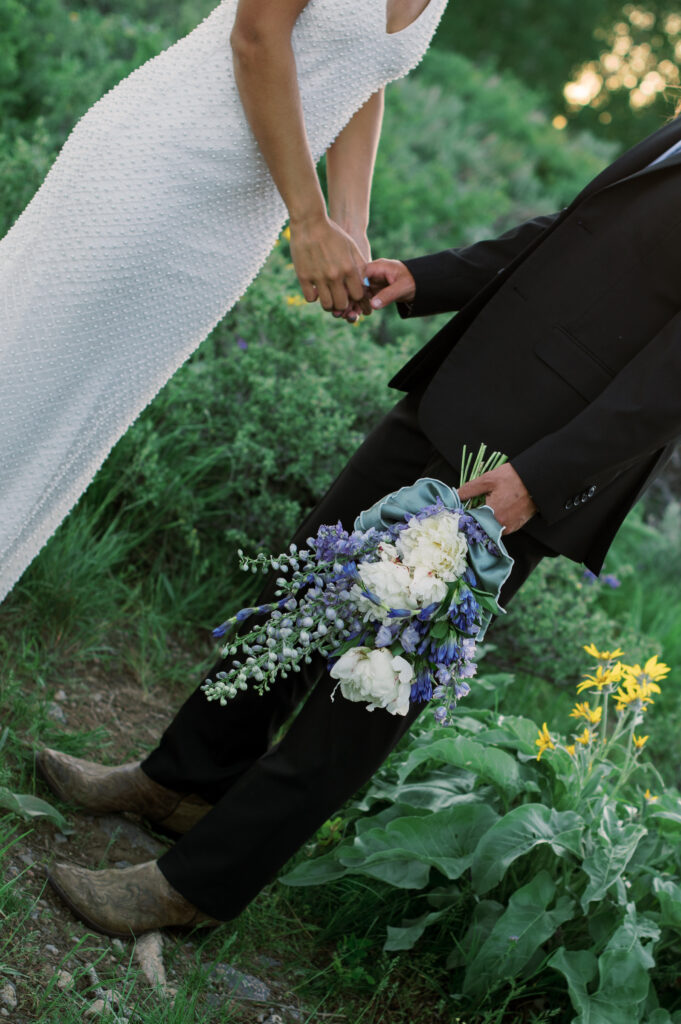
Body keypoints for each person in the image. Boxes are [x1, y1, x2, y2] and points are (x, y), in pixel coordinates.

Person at [39, 109, 681, 938]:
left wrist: (543, 479)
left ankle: (199, 885)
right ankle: (181, 780)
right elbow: (569, 241)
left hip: (520, 466)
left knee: (368, 687)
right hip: (456, 394)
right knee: (300, 591)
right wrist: (427, 276)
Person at [0, 0, 447, 605]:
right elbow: (257, 37)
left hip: (232, 229)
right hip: (158, 166)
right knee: (22, 371)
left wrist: (350, 227)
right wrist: (310, 221)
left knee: (78, 415)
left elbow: (366, 76)